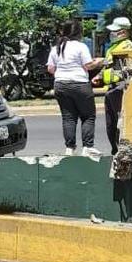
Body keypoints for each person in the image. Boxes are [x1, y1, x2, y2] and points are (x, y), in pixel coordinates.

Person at [47, 21, 103, 159]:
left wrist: (63, 73)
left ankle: (69, 148)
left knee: (68, 118)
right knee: (88, 116)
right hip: (79, 84)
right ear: (79, 33)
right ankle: (87, 147)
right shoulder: (80, 46)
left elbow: (50, 68)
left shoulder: (56, 48)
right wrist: (101, 61)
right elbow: (89, 66)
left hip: (60, 84)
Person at [92, 16, 132, 156]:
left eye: (115, 31)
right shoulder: (113, 47)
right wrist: (99, 76)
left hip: (121, 88)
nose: (112, 34)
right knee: (110, 123)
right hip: (111, 89)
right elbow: (108, 66)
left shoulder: (127, 46)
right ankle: (115, 150)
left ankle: (123, 152)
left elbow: (126, 69)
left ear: (123, 32)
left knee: (120, 123)